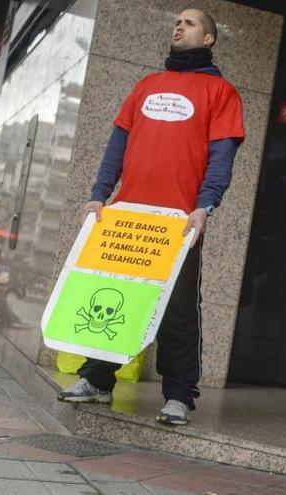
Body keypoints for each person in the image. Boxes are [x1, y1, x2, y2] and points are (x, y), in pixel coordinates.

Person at [56, 8, 245, 427]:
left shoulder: (222, 92)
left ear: (209, 39)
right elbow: (115, 146)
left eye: (190, 23)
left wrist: (205, 205)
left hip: (177, 224)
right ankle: (98, 379)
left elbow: (221, 156)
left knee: (177, 310)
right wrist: (98, 196)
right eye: (177, 21)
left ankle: (179, 396)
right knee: (116, 296)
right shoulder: (145, 86)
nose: (179, 26)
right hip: (126, 217)